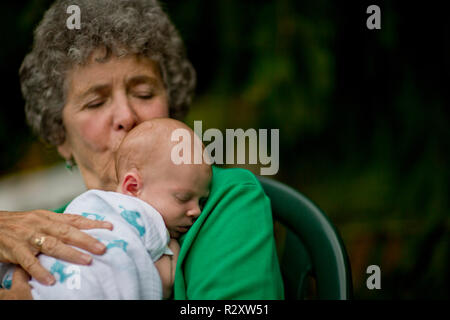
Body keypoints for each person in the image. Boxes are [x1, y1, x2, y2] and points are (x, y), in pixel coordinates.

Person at [0, 0, 284, 300]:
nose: (126, 115)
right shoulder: (43, 230)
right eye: (96, 102)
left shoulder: (223, 202)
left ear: (171, 105)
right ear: (61, 135)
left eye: (143, 93)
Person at [1, 119, 210, 299]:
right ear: (133, 187)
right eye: (183, 198)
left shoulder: (84, 205)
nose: (196, 211)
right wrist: (172, 247)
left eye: (201, 201)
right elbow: (164, 282)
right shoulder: (147, 219)